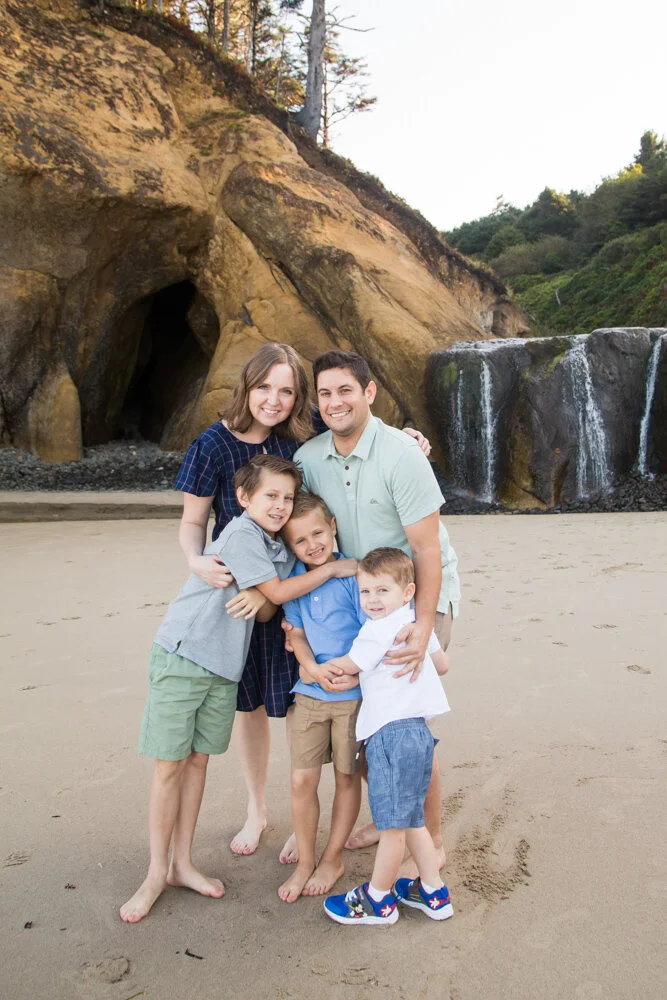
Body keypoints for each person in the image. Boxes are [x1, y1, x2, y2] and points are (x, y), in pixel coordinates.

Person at [175, 342, 431, 861]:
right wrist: (195, 561)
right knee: (251, 705)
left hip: (306, 591)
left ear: (299, 399)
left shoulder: (300, 433)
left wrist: (403, 437)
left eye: (287, 391)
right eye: (264, 388)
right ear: (247, 387)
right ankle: (256, 809)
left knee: (305, 700)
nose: (274, 400)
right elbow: (192, 521)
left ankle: (305, 822)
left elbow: (353, 420)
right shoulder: (211, 446)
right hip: (249, 595)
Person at [120, 455, 357, 923]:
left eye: (288, 497)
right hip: (185, 655)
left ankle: (182, 863)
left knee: (198, 762)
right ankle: (155, 873)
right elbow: (278, 595)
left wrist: (261, 592)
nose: (281, 505)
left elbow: (267, 609)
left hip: (225, 667)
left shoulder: (280, 545)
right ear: (244, 498)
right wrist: (328, 571)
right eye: (271, 496)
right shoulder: (242, 533)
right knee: (170, 766)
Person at [290, 349, 460, 877]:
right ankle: (393, 821)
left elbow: (426, 550)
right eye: (324, 393)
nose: (334, 401)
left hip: (412, 596)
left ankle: (430, 840)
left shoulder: (401, 455)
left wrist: (423, 625)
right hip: (357, 604)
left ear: (369, 392)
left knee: (406, 729)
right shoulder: (309, 459)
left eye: (345, 390)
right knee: (366, 724)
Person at [322, 548, 453, 926]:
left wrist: (311, 665)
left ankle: (378, 899)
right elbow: (443, 665)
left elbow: (349, 665)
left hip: (389, 735)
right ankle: (433, 891)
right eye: (365, 591)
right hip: (419, 734)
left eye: (382, 590)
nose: (373, 600)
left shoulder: (375, 630)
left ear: (409, 591)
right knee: (411, 819)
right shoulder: (416, 625)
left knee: (393, 825)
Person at [277, 492, 366, 903]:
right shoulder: (297, 583)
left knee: (346, 776)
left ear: (332, 526)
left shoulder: (353, 575)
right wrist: (311, 668)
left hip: (351, 693)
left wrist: (354, 671)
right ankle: (305, 862)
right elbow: (295, 632)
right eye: (300, 540)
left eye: (317, 533)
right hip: (311, 693)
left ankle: (332, 859)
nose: (312, 545)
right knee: (302, 778)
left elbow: (370, 631)